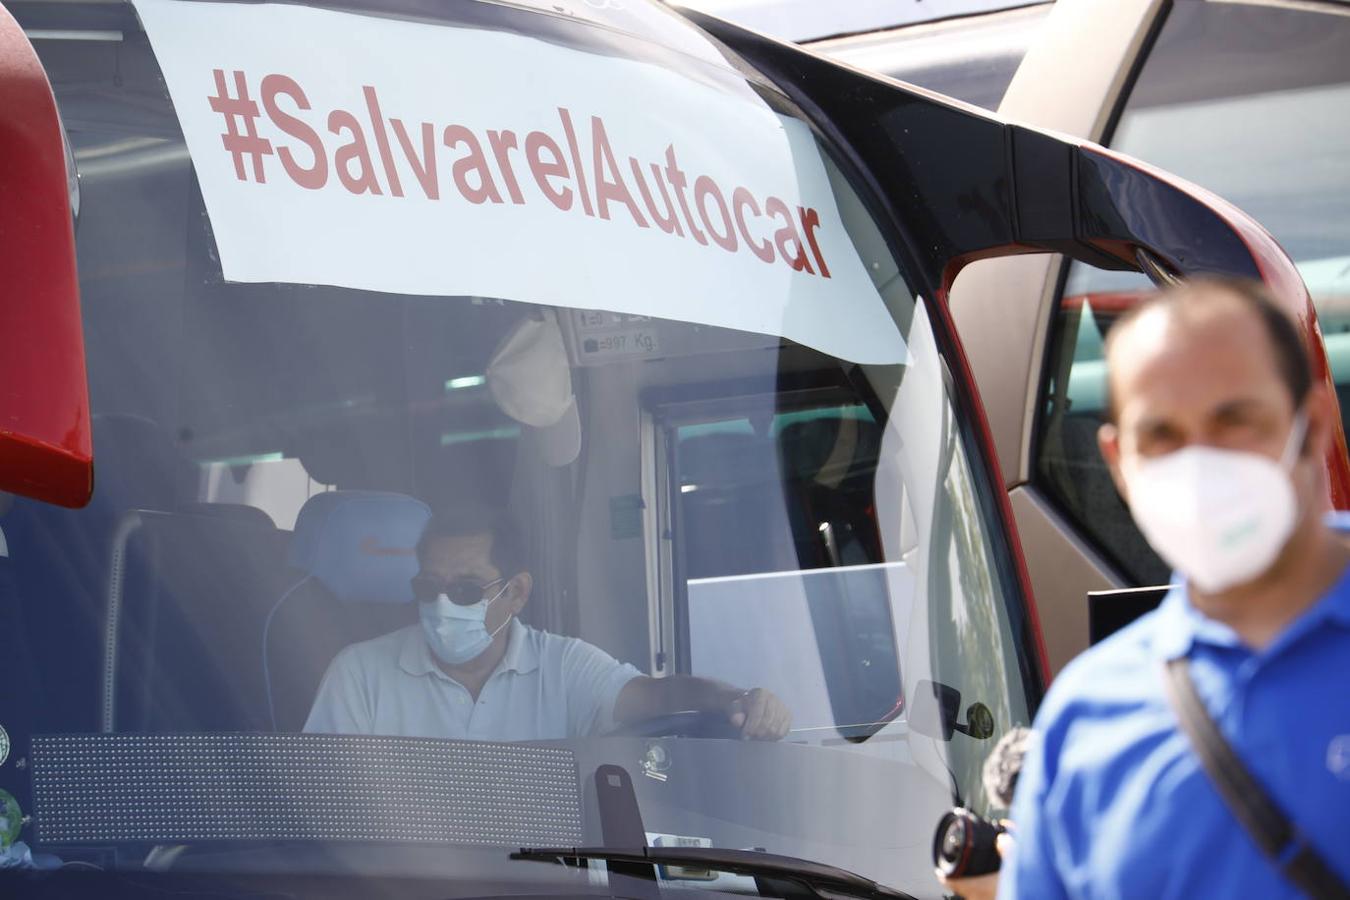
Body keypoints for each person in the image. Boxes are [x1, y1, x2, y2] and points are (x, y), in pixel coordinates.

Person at [962, 277, 1350, 899]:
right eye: (1162, 435)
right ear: (1118, 462)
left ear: (1315, 424)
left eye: (1235, 419)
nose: (1201, 465)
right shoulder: (1086, 721)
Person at [305, 507, 792, 741]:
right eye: (428, 588)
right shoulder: (359, 675)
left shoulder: (564, 668)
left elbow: (662, 695)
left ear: (515, 592)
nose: (443, 605)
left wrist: (735, 699)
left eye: (467, 590)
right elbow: (327, 815)